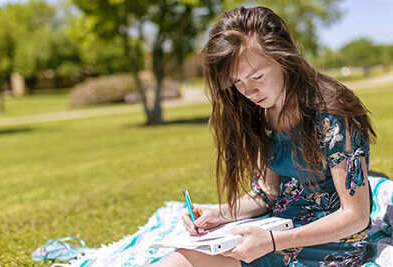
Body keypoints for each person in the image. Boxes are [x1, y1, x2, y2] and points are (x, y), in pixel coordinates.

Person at [148, 6, 376, 267]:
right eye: (238, 82)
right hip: (274, 236)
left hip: (330, 246)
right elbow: (267, 192)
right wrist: (218, 214)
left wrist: (272, 241)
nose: (248, 91)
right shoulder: (262, 111)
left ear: (284, 59)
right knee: (176, 262)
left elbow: (355, 216)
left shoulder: (332, 113)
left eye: (257, 76)